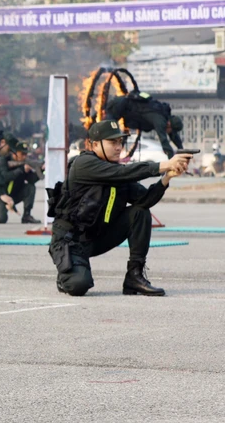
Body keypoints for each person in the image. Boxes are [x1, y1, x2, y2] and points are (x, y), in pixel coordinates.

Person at [48, 120, 192, 297]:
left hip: (97, 237)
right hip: (71, 241)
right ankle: (66, 273)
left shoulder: (116, 171)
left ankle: (134, 276)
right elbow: (121, 173)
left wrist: (167, 178)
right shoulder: (84, 164)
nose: (118, 147)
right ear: (93, 145)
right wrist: (164, 164)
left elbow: (145, 200)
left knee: (139, 212)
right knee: (78, 286)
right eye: (112, 142)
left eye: (120, 142)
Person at [104, 90, 184, 158]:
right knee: (109, 132)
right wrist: (172, 160)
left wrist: (182, 150)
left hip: (123, 110)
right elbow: (164, 141)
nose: (169, 132)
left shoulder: (164, 116)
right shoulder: (160, 120)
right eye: (170, 130)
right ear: (169, 125)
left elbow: (174, 136)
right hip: (117, 106)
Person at [0, 138, 41, 225]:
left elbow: (31, 180)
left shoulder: (25, 162)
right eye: (22, 154)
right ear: (14, 153)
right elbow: (4, 177)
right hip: (1, 195)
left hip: (15, 194)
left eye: (25, 154)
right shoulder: (3, 161)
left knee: (30, 187)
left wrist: (41, 170)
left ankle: (27, 215)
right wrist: (21, 169)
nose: (24, 157)